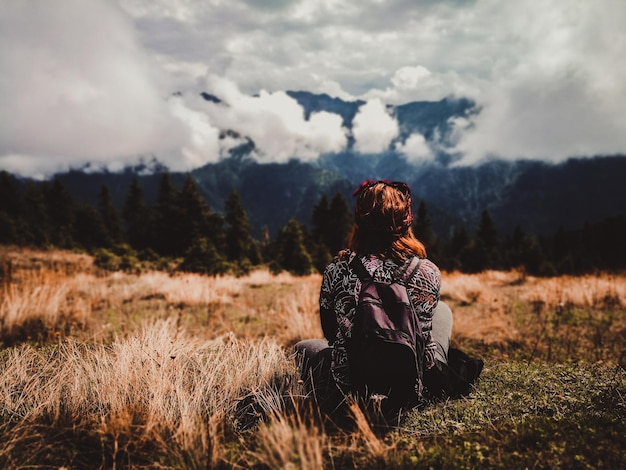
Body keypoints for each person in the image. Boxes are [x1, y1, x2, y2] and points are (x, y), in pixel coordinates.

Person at [294, 180, 453, 416]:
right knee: (443, 310)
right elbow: (424, 332)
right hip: (414, 386)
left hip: (352, 388)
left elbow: (330, 332)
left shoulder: (338, 268)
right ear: (405, 220)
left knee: (303, 348)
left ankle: (331, 394)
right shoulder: (428, 270)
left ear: (361, 221)